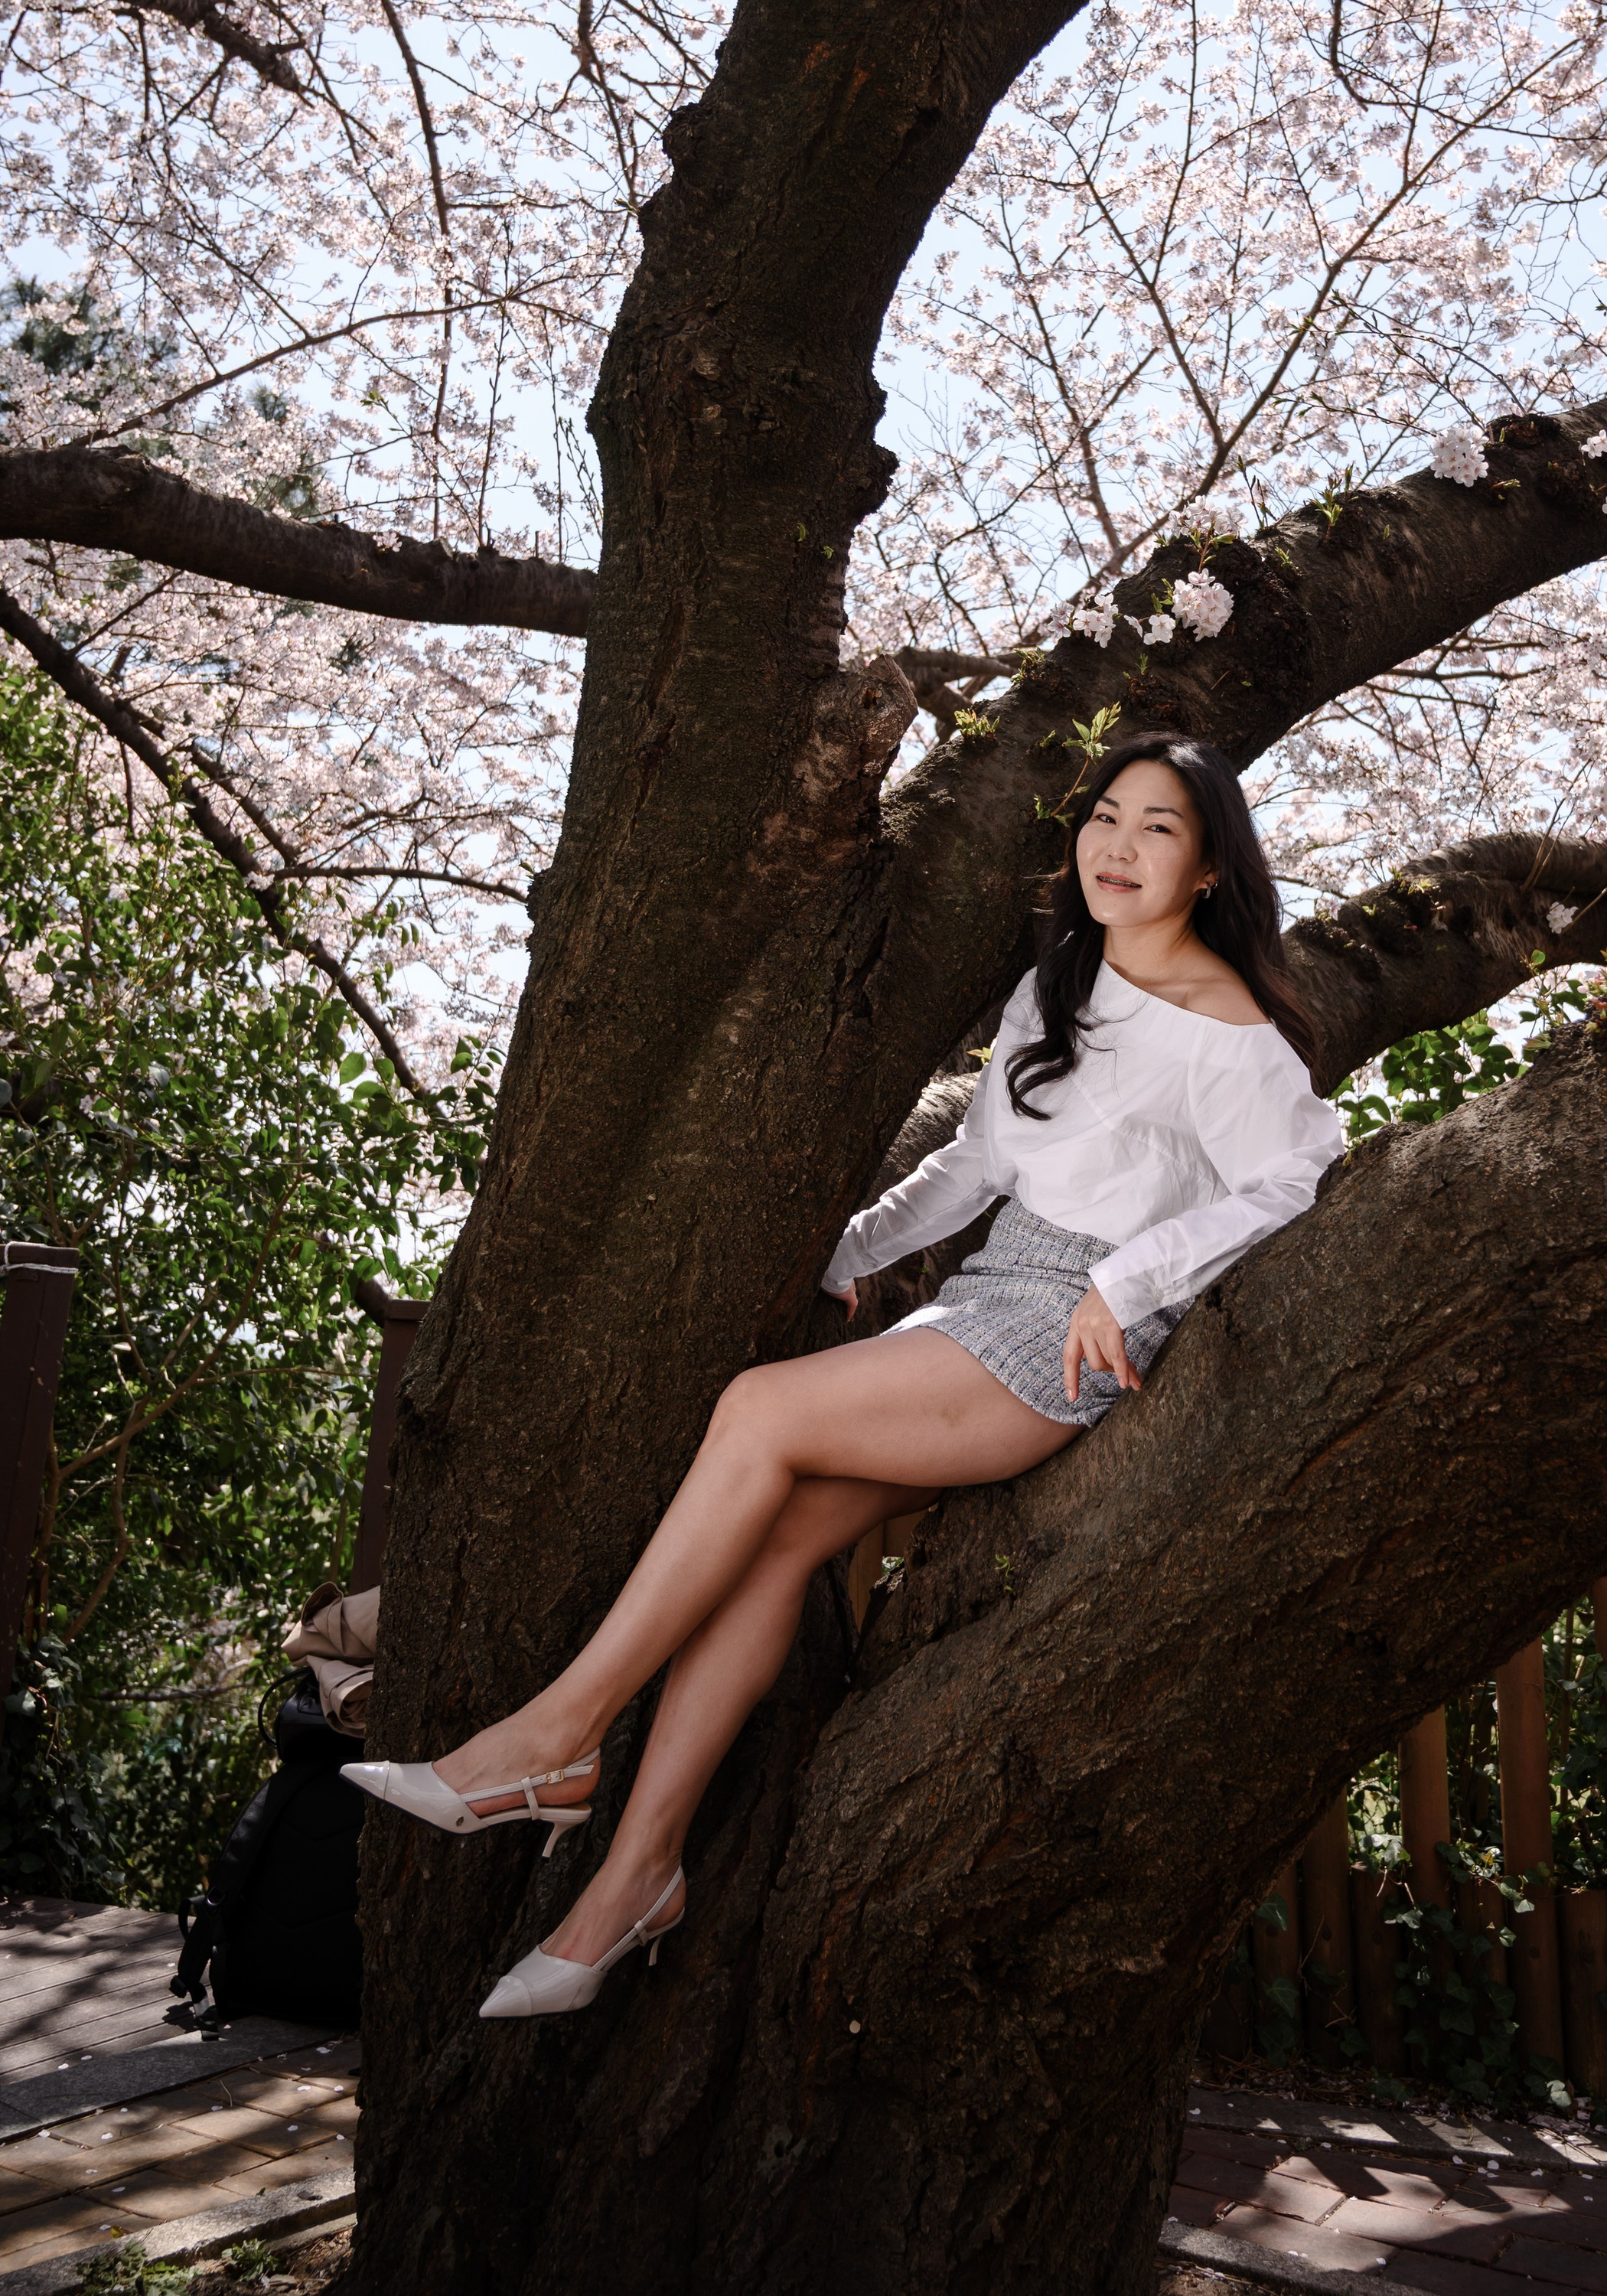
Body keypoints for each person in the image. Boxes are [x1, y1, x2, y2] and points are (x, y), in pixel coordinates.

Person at [345, 730, 1345, 2017]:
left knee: (756, 1411)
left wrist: (1130, 1280)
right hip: (989, 1293)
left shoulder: (1231, 1031)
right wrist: (844, 1251)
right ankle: (632, 1884)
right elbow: (976, 1169)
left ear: (1209, 868)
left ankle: (556, 1738)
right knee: (772, 1547)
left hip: (1068, 1333)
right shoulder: (1058, 986)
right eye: (1106, 815)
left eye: (1160, 827)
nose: (1119, 846)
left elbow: (1295, 1180)